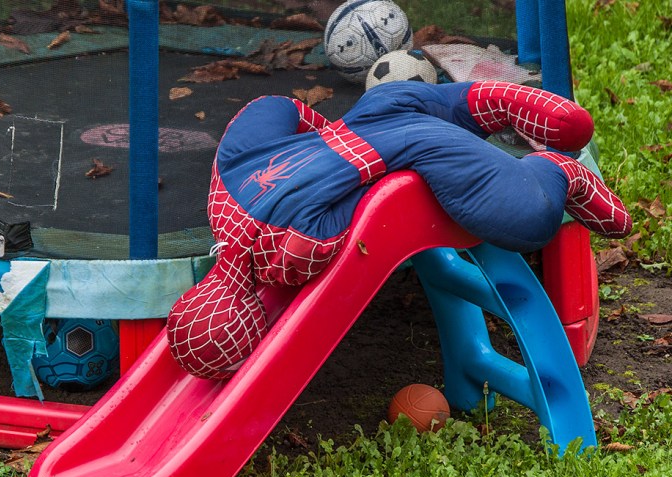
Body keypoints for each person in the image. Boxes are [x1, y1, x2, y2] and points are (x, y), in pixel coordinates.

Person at [167, 80, 632, 379]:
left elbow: (325, 240)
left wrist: (340, 169)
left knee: (525, 218)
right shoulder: (222, 195)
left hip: (417, 145)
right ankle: (479, 101)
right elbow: (268, 109)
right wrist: (326, 133)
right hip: (373, 113)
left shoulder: (285, 256)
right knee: (424, 104)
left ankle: (558, 172)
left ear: (253, 322)